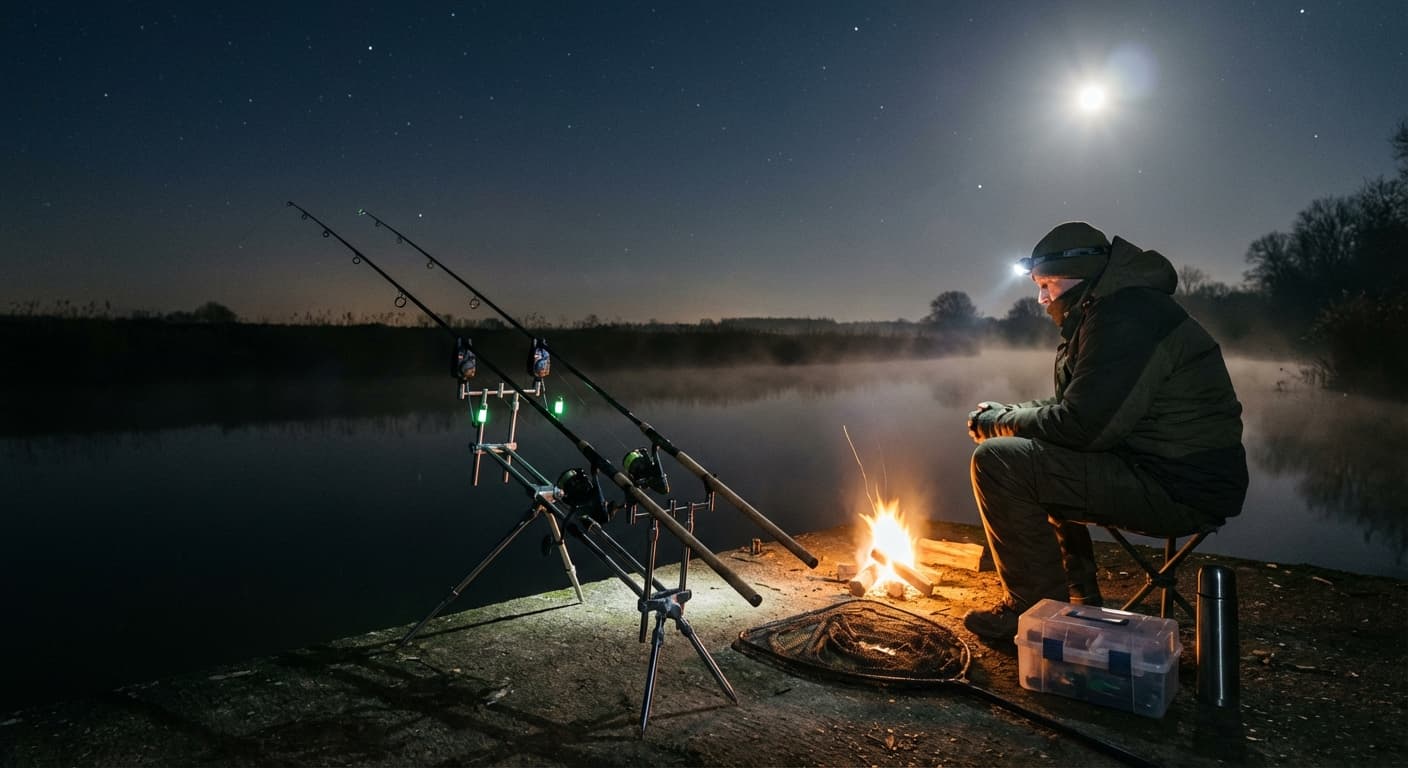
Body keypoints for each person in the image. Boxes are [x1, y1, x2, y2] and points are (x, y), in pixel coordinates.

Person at [961, 221, 1248, 642]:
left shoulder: (1124, 317)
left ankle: (1033, 617)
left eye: (1048, 285)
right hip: (1162, 467)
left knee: (1000, 462)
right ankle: (1079, 600)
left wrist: (998, 424)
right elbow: (1082, 405)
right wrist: (1009, 412)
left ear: (1079, 279)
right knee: (1038, 453)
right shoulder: (1114, 308)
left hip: (1180, 485)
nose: (1041, 299)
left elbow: (1082, 427)